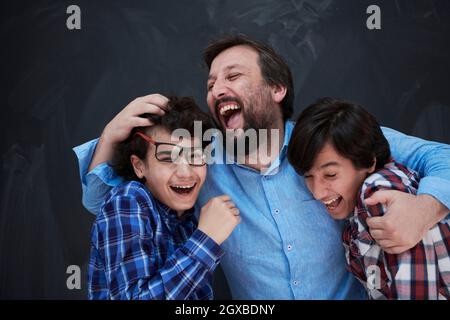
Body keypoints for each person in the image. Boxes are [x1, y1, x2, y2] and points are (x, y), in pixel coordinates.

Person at [74, 34, 450, 299]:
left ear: (277, 89)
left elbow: (442, 157)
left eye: (233, 76)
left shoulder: (330, 139)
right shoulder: (201, 162)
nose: (217, 89)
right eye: (211, 83)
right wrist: (109, 135)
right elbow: (104, 201)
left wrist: (425, 208)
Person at [287, 97, 450, 299]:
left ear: (368, 162)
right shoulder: (358, 206)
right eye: (308, 177)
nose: (317, 193)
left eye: (330, 175)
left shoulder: (377, 194)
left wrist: (425, 208)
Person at [86, 96, 240, 300]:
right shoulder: (128, 199)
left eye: (195, 156)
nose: (185, 173)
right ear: (139, 166)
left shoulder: (188, 219)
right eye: (168, 158)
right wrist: (206, 240)